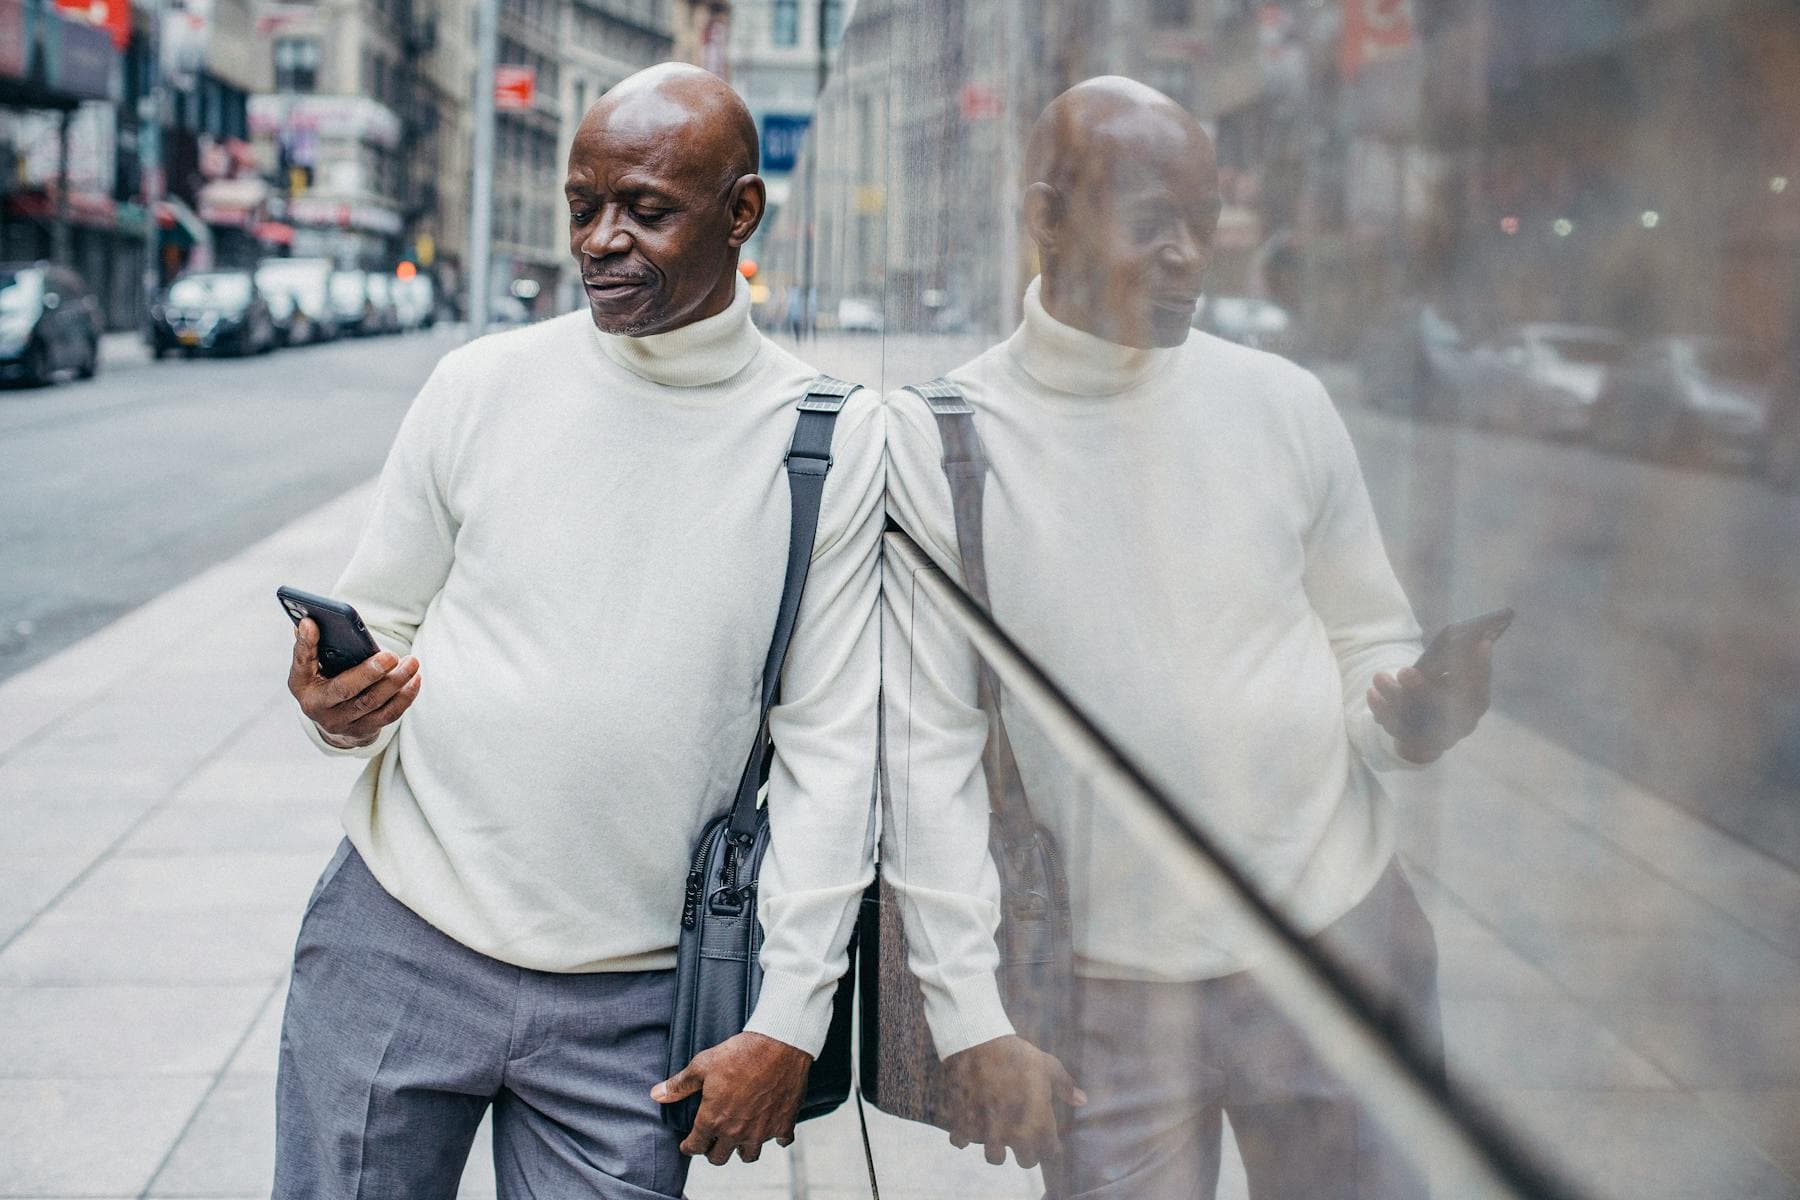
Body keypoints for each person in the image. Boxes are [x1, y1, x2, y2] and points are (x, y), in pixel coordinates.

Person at [276, 63, 882, 1197]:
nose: (601, 240)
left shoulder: (831, 441)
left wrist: (791, 1016)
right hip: (398, 935)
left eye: (646, 210)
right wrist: (333, 707)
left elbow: (835, 753)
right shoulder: (480, 384)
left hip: (636, 1008)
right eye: (582, 206)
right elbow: (385, 613)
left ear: (740, 212)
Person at [882, 76, 1495, 1198]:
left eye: (1206, 224)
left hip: (1342, 943)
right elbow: (924, 758)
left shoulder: (1285, 404)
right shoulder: (944, 443)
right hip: (1108, 1004)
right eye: (1150, 218)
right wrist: (972, 1019)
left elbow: (1367, 634)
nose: (1187, 255)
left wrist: (1406, 711)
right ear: (1047, 213)